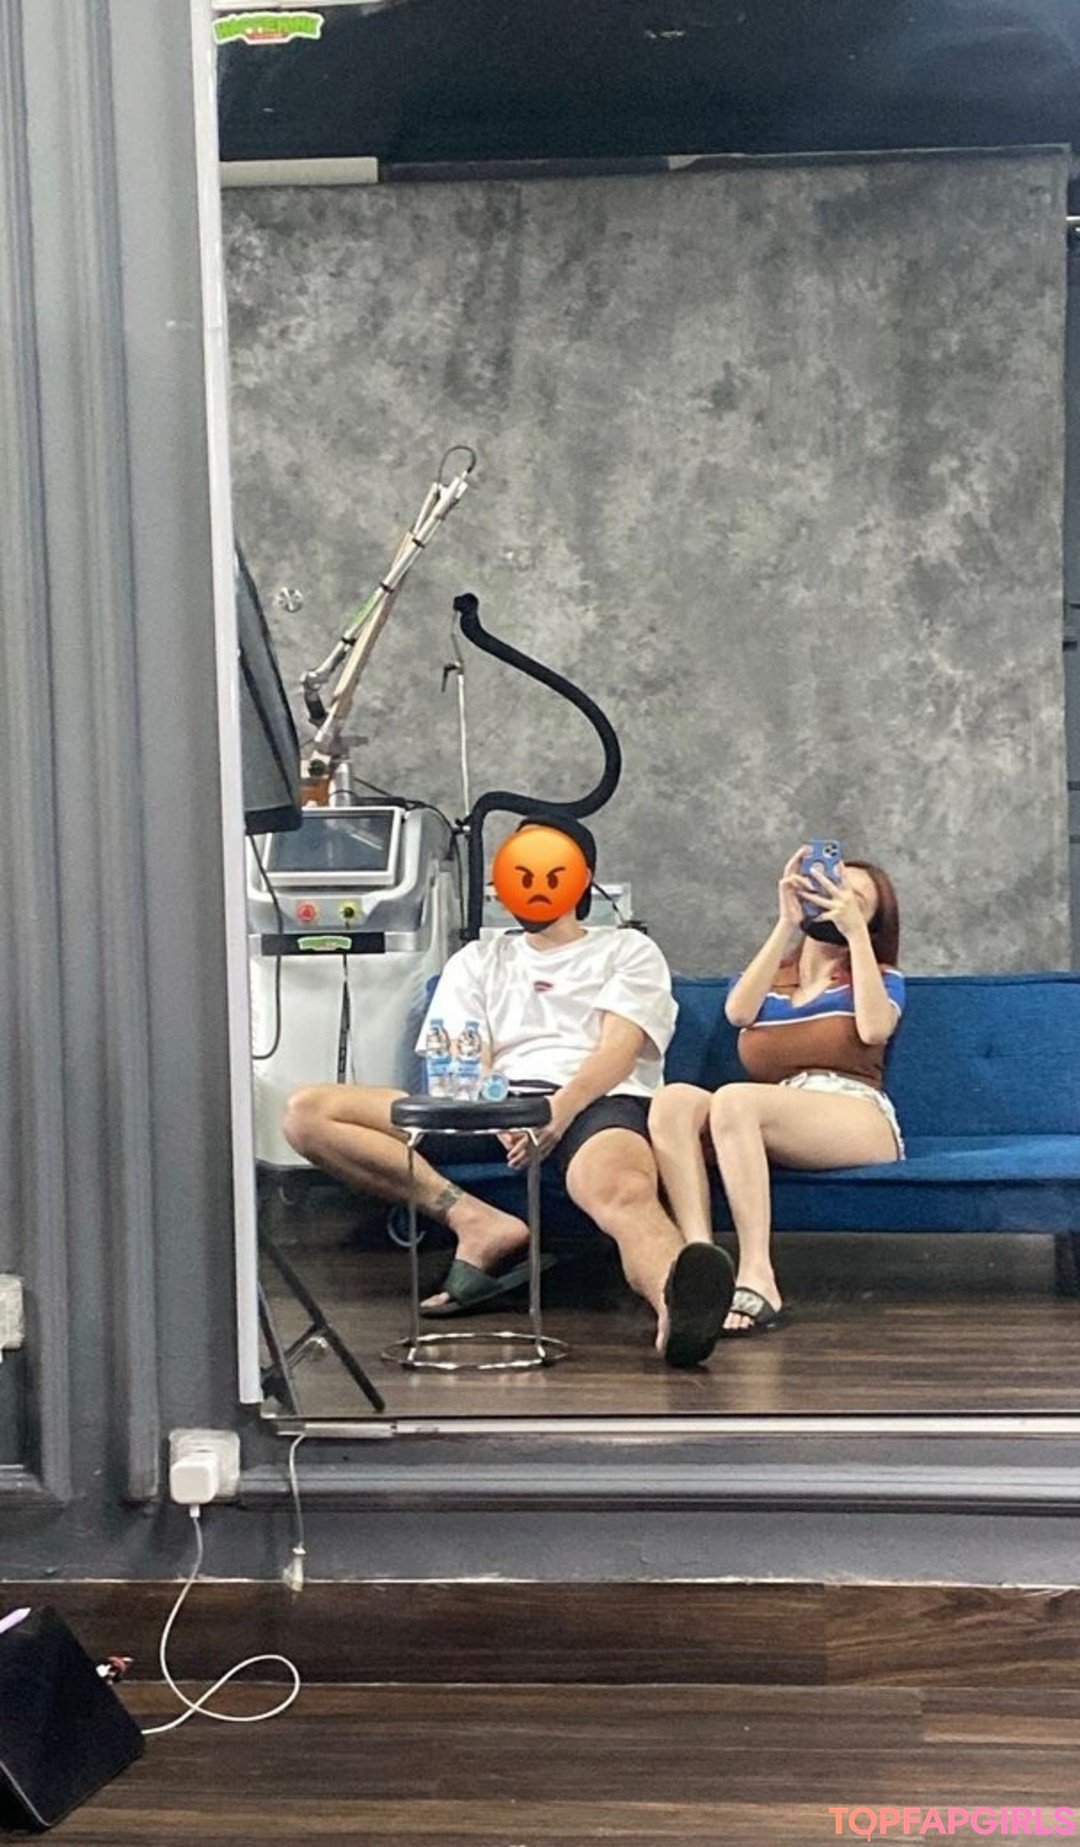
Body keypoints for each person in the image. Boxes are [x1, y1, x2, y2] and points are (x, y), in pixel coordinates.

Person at [283, 811, 736, 1368]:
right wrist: (497, 1111)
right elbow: (464, 1051)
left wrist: (555, 1111)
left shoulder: (626, 950)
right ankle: (474, 1220)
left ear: (581, 877)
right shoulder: (478, 958)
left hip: (593, 1103)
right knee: (309, 1112)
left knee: (622, 1190)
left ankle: (678, 1305)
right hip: (491, 1104)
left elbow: (617, 1051)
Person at [648, 845, 904, 1334]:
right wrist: (788, 920)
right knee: (673, 1101)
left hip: (854, 1110)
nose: (835, 899)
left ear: (872, 921)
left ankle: (758, 1274)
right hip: (775, 1109)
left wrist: (855, 935)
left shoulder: (879, 977)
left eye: (855, 899)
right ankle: (700, 1263)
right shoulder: (774, 979)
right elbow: (737, 1013)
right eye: (829, 887)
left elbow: (874, 1029)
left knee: (735, 1098)